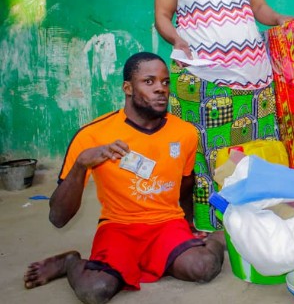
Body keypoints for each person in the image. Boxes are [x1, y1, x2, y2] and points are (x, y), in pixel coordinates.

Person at [23, 52, 225, 303]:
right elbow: (58, 217)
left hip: (166, 224)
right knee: (94, 290)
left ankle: (216, 239)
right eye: (149, 81)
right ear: (127, 88)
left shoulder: (184, 132)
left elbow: (186, 182)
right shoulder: (92, 135)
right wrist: (81, 164)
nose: (161, 89)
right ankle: (69, 262)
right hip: (118, 226)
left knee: (204, 267)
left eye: (165, 82)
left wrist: (188, 225)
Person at [154, 0, 294, 232]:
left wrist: (278, 18)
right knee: (211, 155)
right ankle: (213, 227)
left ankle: (257, 224)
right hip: (202, 79)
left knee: (255, 152)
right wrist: (176, 39)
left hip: (255, 78)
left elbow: (259, 9)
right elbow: (162, 14)